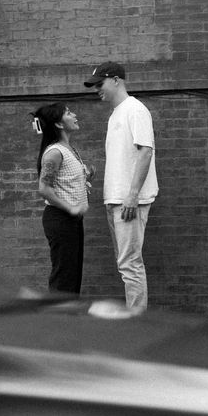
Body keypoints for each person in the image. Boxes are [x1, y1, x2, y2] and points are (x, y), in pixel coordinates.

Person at [83, 61, 157, 310]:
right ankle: (135, 318)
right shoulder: (117, 113)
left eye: (99, 84)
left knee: (130, 264)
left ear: (116, 80)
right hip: (115, 200)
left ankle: (137, 323)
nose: (96, 89)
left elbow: (146, 151)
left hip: (128, 201)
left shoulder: (135, 109)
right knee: (125, 263)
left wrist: (132, 195)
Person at [30, 102, 91, 294]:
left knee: (72, 275)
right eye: (68, 113)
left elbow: (63, 180)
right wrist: (71, 208)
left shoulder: (68, 149)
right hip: (60, 219)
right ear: (58, 124)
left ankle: (69, 320)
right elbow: (44, 188)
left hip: (71, 221)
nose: (74, 115)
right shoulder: (55, 152)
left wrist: (85, 177)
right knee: (63, 277)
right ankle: (58, 321)